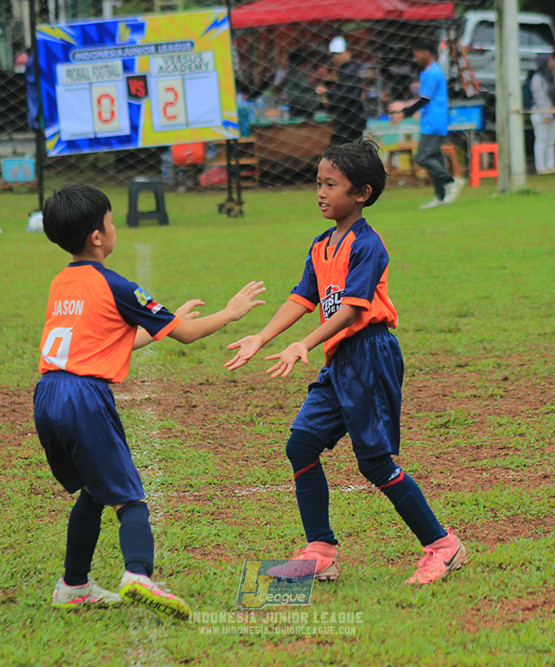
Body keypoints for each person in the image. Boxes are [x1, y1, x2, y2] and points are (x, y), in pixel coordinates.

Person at [225, 140, 469, 586]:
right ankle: (320, 550)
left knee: (374, 463)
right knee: (301, 445)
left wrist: (306, 344)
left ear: (361, 193)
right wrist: (262, 337)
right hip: (340, 359)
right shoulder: (322, 244)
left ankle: (442, 545)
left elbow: (354, 310)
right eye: (318, 183)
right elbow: (303, 297)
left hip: (370, 355)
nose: (320, 192)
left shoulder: (368, 245)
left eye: (331, 185)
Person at [34, 184, 265, 617]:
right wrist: (231, 312)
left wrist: (162, 322)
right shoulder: (116, 285)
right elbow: (188, 334)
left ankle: (74, 584)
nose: (114, 226)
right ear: (98, 236)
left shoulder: (61, 282)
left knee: (93, 490)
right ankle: (138, 574)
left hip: (48, 393)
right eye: (112, 220)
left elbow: (100, 343)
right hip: (85, 397)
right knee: (130, 498)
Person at [387, 39, 464, 209]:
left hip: (435, 121)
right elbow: (423, 98)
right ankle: (440, 196)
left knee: (422, 157)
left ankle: (451, 181)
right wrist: (404, 107)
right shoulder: (426, 73)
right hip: (429, 120)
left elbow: (424, 100)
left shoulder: (434, 73)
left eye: (416, 54)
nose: (414, 58)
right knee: (434, 157)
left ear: (426, 53)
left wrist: (403, 113)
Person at [316, 36, 367, 146]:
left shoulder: (349, 71)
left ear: (347, 53)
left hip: (351, 121)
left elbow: (344, 95)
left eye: (339, 54)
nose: (336, 57)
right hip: (350, 120)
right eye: (333, 55)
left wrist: (327, 94)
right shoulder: (345, 70)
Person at [529, 53, 555, 174]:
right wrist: (545, 114)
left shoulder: (550, 76)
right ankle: (541, 167)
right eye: (550, 61)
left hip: (553, 113)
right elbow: (539, 97)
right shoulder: (537, 78)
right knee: (541, 140)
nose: (552, 63)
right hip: (541, 113)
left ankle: (550, 164)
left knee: (551, 140)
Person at [282, 50, 320, 120]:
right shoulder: (296, 72)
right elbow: (305, 85)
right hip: (301, 107)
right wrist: (317, 75)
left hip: (300, 107)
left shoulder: (291, 72)